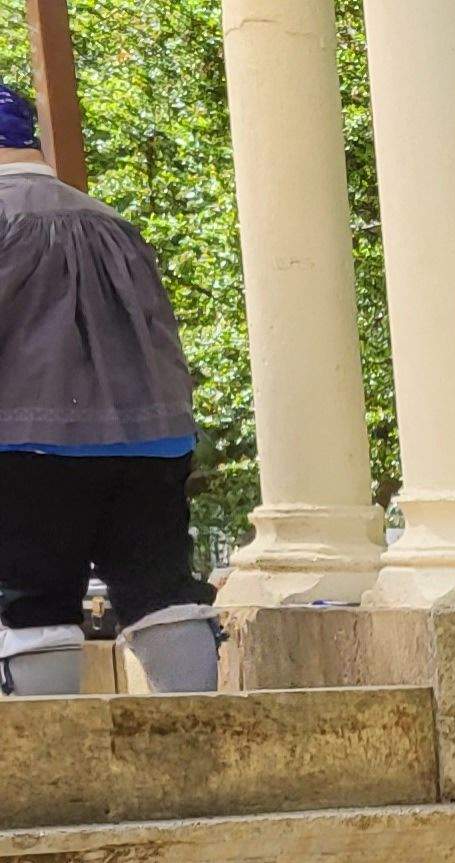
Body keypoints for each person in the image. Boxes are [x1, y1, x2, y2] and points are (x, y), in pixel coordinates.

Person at [0, 80, 207, 642]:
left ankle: (49, 734)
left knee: (33, 605)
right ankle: (197, 724)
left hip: (29, 443)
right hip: (153, 438)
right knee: (163, 595)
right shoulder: (112, 221)